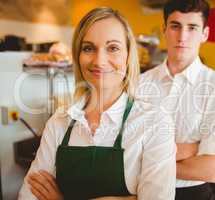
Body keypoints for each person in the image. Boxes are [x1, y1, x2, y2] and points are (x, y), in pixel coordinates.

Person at [18, 7, 176, 200]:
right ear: (78, 56)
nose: (99, 61)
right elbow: (28, 195)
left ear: (128, 56)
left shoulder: (155, 122)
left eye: (113, 48)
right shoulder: (59, 122)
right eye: (88, 48)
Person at [137, 0, 215, 199]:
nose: (182, 36)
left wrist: (147, 160)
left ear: (205, 34)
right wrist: (195, 149)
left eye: (192, 28)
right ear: (165, 30)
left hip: (193, 194)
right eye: (175, 26)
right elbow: (122, 151)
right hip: (139, 192)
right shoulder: (138, 84)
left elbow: (214, 170)